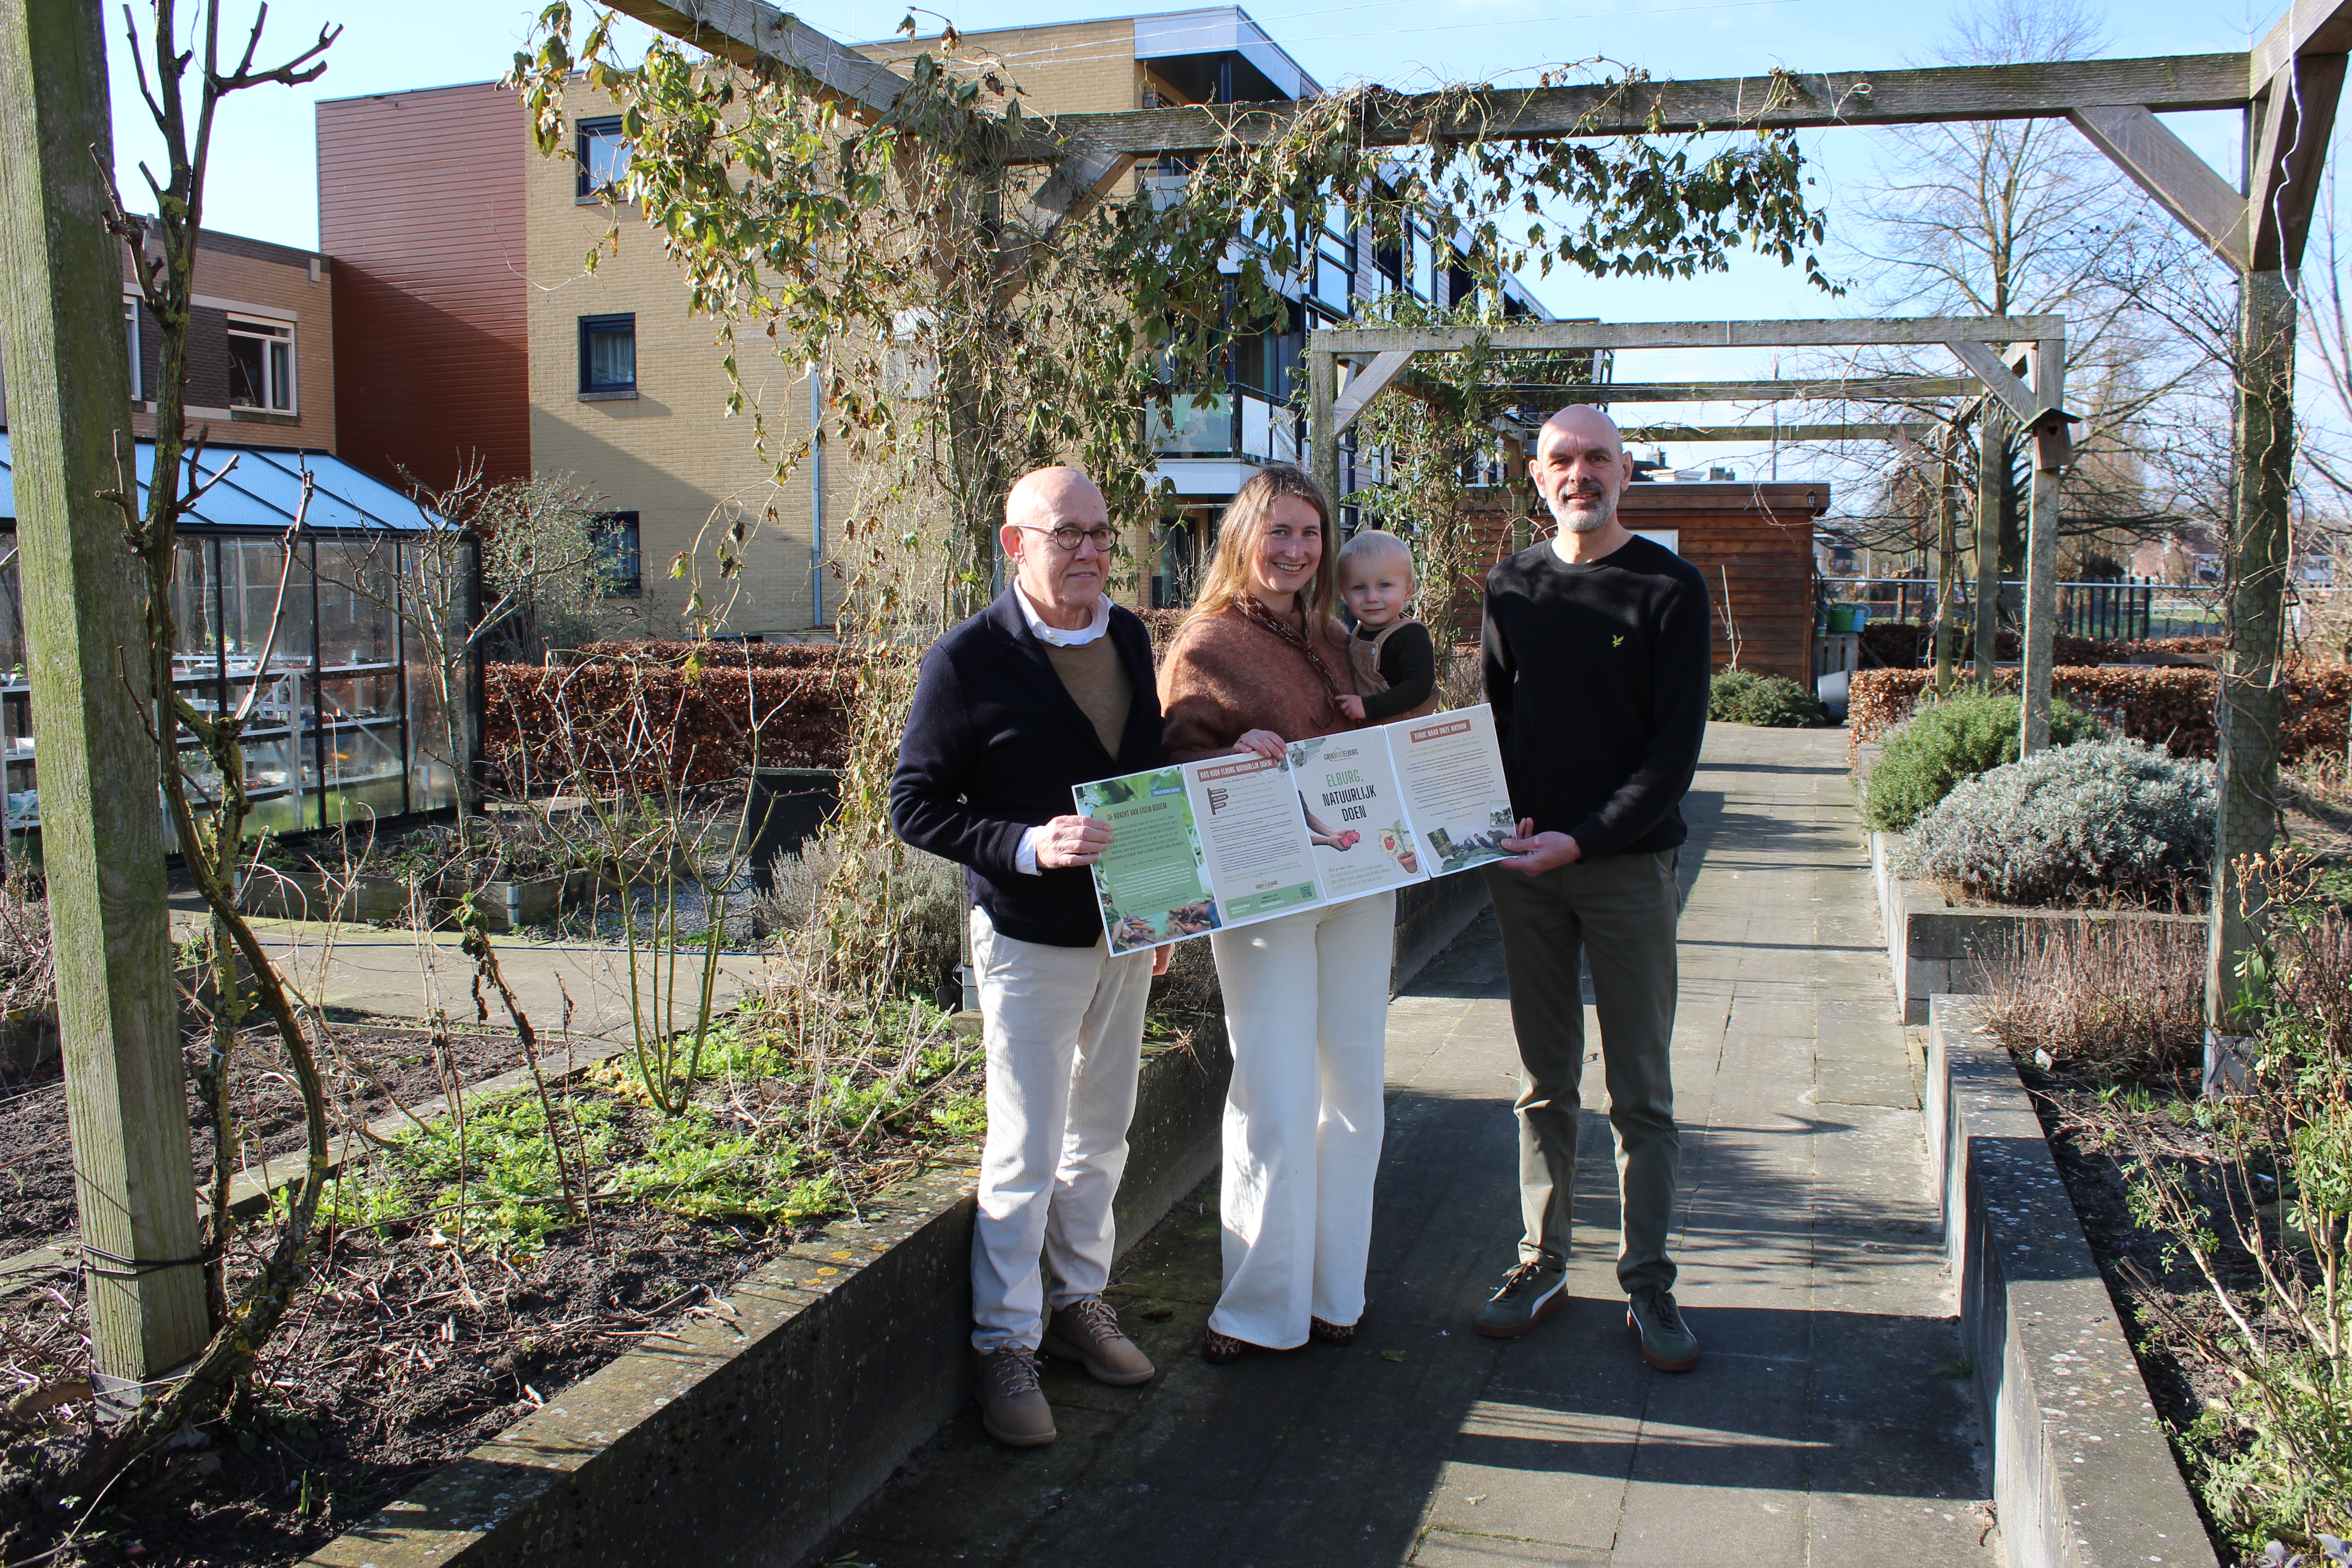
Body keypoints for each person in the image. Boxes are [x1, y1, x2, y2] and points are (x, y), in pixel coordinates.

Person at [891, 466, 1172, 1447]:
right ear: (1016, 544)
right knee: (1024, 1147)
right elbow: (914, 805)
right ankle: (1004, 1344)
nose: (1091, 549)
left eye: (1101, 531)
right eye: (1068, 533)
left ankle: (1078, 1304)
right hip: (1027, 936)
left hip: (1125, 930)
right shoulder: (967, 660)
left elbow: (1149, 780)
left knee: (1104, 1132)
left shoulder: (1129, 635)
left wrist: (1163, 911)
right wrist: (1025, 843)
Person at [1474, 405, 1711, 1372]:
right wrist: (1490, 825)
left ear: (1625, 472)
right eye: (1563, 460)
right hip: (1528, 874)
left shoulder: (1670, 588)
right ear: (1538, 477)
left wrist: (1585, 838)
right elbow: (1492, 724)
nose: (1582, 474)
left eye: (1599, 459)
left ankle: (1648, 1281)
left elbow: (1674, 754)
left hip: (1624, 871)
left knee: (1641, 1088)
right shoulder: (1512, 586)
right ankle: (1541, 1262)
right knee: (1541, 1083)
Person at [1159, 463, 1392, 1362]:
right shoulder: (1207, 645)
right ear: (1240, 537)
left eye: (1311, 533)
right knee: (1276, 1095)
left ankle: (1337, 1292)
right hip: (1267, 898)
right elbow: (1174, 774)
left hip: (1358, 885)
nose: (1296, 550)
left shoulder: (1339, 637)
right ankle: (1260, 1307)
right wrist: (1232, 756)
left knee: (1354, 1091)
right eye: (1279, 531)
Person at [1333, 529, 1439, 724]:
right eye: (1359, 588)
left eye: (1384, 586)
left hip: (1408, 737)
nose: (1372, 598)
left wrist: (1368, 707)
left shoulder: (1410, 635)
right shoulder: (1355, 636)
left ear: (1408, 590)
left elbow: (1419, 687)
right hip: (1373, 735)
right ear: (1344, 594)